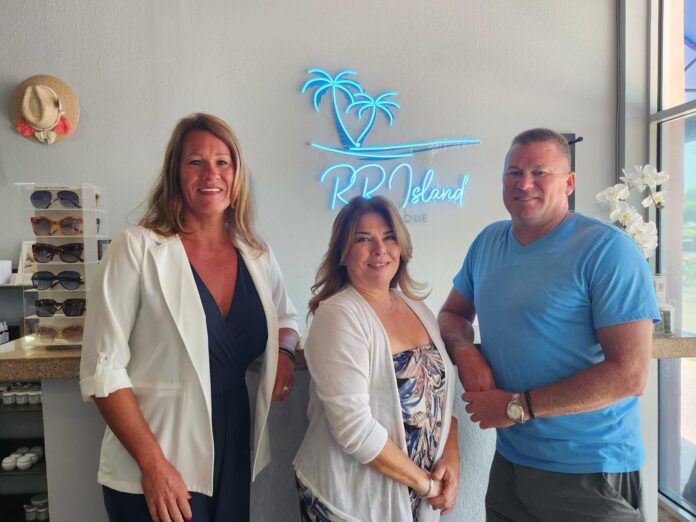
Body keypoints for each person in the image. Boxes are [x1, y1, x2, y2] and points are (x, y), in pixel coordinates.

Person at [79, 113, 300, 522]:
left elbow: (287, 317)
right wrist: (153, 465)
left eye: (222, 162)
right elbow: (102, 370)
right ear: (176, 173)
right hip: (156, 462)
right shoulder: (137, 249)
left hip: (231, 452)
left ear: (237, 174)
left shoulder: (256, 254)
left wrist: (285, 353)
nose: (210, 173)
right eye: (195, 161)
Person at [438, 128, 660, 521]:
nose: (524, 184)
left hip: (590, 470)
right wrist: (465, 351)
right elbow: (452, 315)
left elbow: (631, 374)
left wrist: (515, 407)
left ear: (569, 183)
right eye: (513, 172)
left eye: (540, 172)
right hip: (510, 465)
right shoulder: (488, 243)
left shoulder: (608, 251)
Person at [294, 196, 460, 521]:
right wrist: (424, 485)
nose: (379, 249)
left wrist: (451, 458)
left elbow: (444, 397)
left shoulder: (418, 309)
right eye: (362, 239)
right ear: (342, 253)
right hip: (352, 501)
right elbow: (353, 429)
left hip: (416, 493)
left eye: (388, 237)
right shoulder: (338, 316)